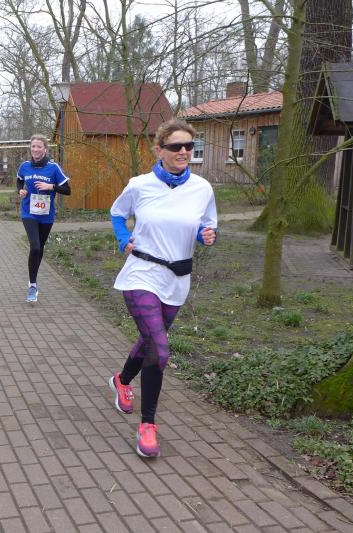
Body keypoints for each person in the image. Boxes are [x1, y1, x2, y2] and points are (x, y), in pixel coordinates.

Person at [107, 119, 217, 458]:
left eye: (189, 146)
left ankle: (122, 381)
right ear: (159, 150)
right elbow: (117, 214)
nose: (184, 151)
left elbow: (206, 225)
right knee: (160, 349)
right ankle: (148, 426)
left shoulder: (202, 189)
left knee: (149, 341)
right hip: (142, 272)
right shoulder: (139, 185)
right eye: (176, 146)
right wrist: (123, 238)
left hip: (177, 278)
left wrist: (206, 235)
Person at [17, 134, 71, 303]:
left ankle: (34, 278)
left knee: (39, 248)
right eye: (33, 146)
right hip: (29, 212)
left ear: (45, 149)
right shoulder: (25, 166)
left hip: (46, 215)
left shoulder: (53, 168)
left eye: (39, 146)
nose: (35, 149)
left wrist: (51, 186)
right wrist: (20, 190)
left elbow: (67, 190)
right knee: (34, 246)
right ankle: (32, 285)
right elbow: (19, 180)